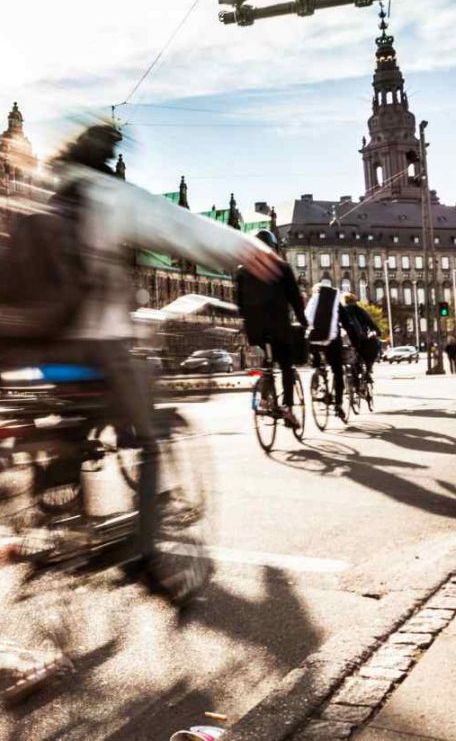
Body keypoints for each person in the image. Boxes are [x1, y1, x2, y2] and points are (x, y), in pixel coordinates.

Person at [46, 123, 280, 590]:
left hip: (45, 342)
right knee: (151, 437)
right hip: (99, 341)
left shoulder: (47, 191)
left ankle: (54, 514)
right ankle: (146, 553)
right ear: (106, 160)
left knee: (69, 428)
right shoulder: (104, 193)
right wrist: (247, 248)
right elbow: (174, 225)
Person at [235, 229, 308, 428]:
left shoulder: (242, 270)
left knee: (268, 362)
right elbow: (295, 298)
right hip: (279, 328)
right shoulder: (282, 267)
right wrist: (303, 321)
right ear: (273, 247)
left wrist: (247, 322)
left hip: (255, 331)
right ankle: (288, 410)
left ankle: (265, 398)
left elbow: (239, 303)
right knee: (286, 365)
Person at [305, 279, 346, 421]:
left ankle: (317, 379)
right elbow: (347, 323)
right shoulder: (335, 303)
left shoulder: (312, 302)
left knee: (316, 360)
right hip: (332, 340)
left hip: (313, 341)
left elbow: (305, 319)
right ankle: (339, 403)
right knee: (337, 371)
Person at [340, 294, 380, 385]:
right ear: (354, 301)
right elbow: (372, 325)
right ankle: (368, 371)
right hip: (362, 341)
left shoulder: (340, 311)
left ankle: (350, 382)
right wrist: (375, 332)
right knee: (370, 349)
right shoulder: (361, 311)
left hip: (345, 342)